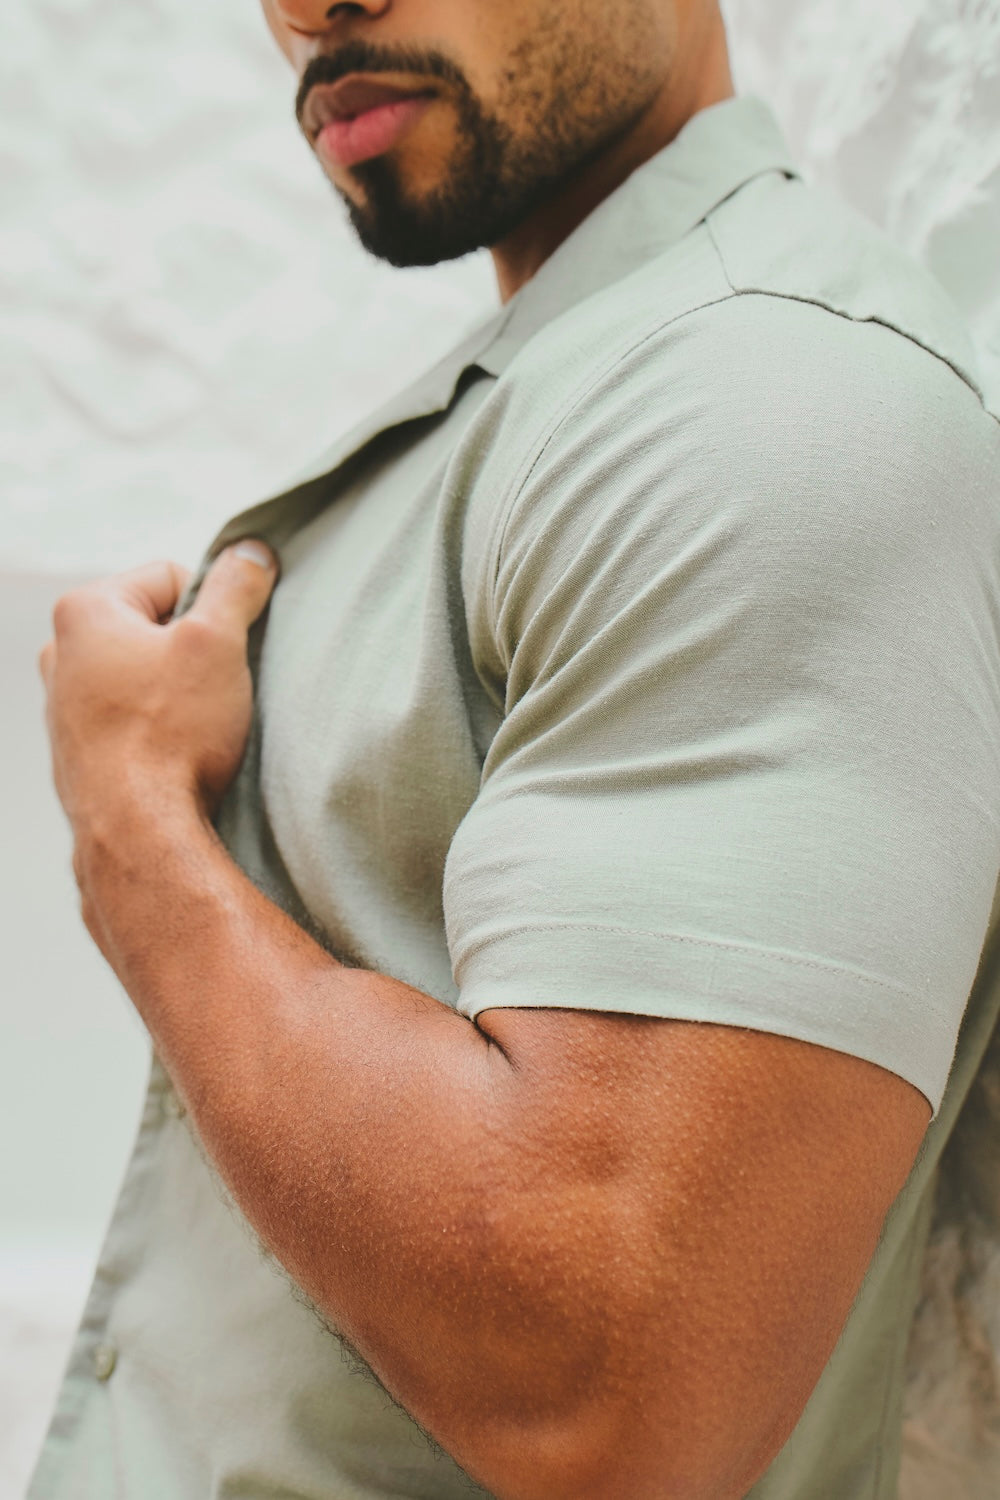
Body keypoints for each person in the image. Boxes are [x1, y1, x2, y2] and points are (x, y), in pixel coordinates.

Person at [30, 1, 1000, 1496]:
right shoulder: (588, 381)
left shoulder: (764, 399)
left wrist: (134, 831)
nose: (308, 7)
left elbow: (605, 1392)